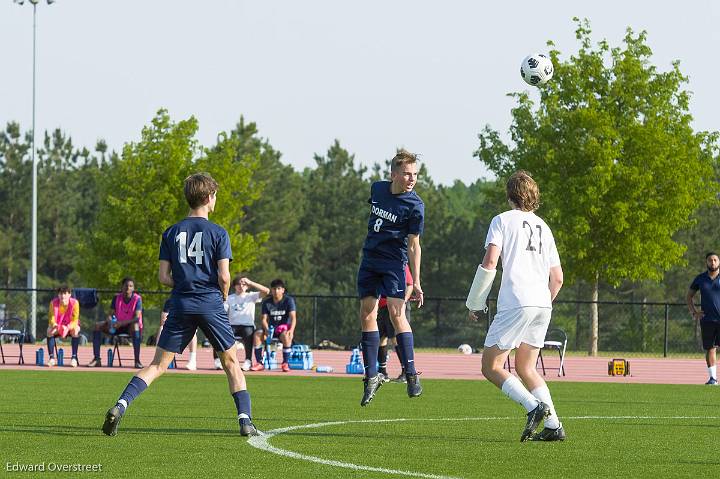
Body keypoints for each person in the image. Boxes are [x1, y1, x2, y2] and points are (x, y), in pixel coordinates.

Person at [102, 172, 259, 437]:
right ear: (209, 197)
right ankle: (245, 421)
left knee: (158, 365)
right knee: (231, 362)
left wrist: (186, 282)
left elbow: (163, 277)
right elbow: (224, 276)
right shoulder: (219, 232)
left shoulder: (171, 232)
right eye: (215, 196)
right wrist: (220, 296)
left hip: (181, 302)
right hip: (209, 302)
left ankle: (120, 405)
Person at [466, 170, 564, 442]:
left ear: (509, 195)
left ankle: (534, 407)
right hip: (543, 303)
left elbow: (489, 263)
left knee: (491, 366)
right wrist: (540, 302)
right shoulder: (545, 226)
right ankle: (554, 425)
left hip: (516, 302)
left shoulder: (501, 220)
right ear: (534, 197)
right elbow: (557, 278)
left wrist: (475, 302)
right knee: (527, 368)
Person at [357, 149, 425, 407]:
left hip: (394, 264)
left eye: (415, 174)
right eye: (407, 174)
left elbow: (414, 245)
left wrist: (416, 281)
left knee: (398, 314)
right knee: (367, 314)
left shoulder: (415, 205)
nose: (411, 179)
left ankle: (410, 373)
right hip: (370, 260)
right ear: (393, 174)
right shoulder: (378, 189)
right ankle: (371, 375)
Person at [213, 275, 269, 371]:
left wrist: (250, 282)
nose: (241, 286)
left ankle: (248, 360)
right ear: (234, 286)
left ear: (247, 286)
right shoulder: (230, 298)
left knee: (248, 332)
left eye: (244, 284)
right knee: (219, 333)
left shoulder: (251, 296)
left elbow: (266, 291)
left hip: (247, 326)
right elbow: (223, 311)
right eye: (238, 284)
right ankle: (218, 360)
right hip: (232, 326)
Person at [88, 277, 144, 368]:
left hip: (130, 327)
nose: (128, 288)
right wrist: (110, 320)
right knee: (97, 326)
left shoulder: (137, 299)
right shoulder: (116, 298)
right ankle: (96, 359)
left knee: (136, 326)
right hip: (116, 326)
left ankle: (137, 361)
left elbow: (137, 318)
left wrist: (122, 323)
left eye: (131, 286)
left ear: (133, 288)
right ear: (122, 287)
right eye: (126, 285)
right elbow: (110, 314)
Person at [686, 252, 720, 385]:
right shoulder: (700, 279)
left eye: (715, 260)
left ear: (719, 262)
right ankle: (713, 379)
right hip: (707, 320)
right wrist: (694, 312)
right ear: (706, 262)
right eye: (710, 260)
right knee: (710, 348)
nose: (713, 262)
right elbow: (689, 296)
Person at [250, 279, 296, 372]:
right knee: (257, 335)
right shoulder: (267, 302)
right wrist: (267, 329)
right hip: (269, 329)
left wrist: (291, 330)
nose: (276, 291)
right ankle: (259, 363)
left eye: (279, 289)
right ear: (271, 290)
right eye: (274, 289)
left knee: (286, 335)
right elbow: (263, 319)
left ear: (283, 290)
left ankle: (285, 363)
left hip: (282, 330)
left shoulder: (289, 300)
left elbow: (293, 318)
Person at [377, 264, 413, 382]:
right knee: (381, 338)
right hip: (382, 306)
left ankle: (405, 371)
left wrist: (403, 302)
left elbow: (409, 285)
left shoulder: (401, 264)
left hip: (396, 305)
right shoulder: (379, 264)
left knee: (395, 339)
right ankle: (382, 372)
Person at [46, 285, 81, 367]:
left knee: (75, 331)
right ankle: (51, 358)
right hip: (58, 326)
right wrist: (55, 325)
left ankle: (74, 358)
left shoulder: (75, 303)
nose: (62, 296)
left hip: (70, 326)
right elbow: (51, 317)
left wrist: (68, 327)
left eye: (65, 293)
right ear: (58, 295)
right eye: (60, 294)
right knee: (49, 331)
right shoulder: (53, 303)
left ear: (69, 294)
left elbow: (75, 320)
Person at [159, 299, 198, 370]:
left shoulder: (192, 300)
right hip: (174, 326)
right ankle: (160, 358)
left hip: (187, 325)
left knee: (193, 331)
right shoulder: (171, 301)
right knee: (161, 328)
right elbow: (163, 319)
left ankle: (192, 360)